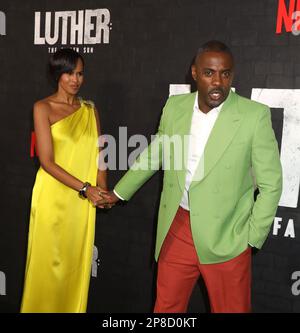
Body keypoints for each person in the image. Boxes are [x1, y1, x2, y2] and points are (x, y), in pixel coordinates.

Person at [97, 40, 282, 313]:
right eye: (209, 73)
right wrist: (118, 192)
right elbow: (154, 155)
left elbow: (271, 183)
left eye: (225, 74)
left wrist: (251, 237)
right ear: (194, 73)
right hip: (178, 227)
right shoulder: (175, 107)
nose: (218, 82)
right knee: (166, 309)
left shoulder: (254, 116)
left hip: (228, 235)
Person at [21, 48, 108, 313]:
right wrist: (86, 188)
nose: (75, 79)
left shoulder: (90, 110)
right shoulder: (42, 108)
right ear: (57, 74)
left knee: (73, 268)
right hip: (53, 198)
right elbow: (46, 161)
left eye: (80, 73)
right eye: (69, 73)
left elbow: (99, 154)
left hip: (82, 203)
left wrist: (102, 190)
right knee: (46, 267)